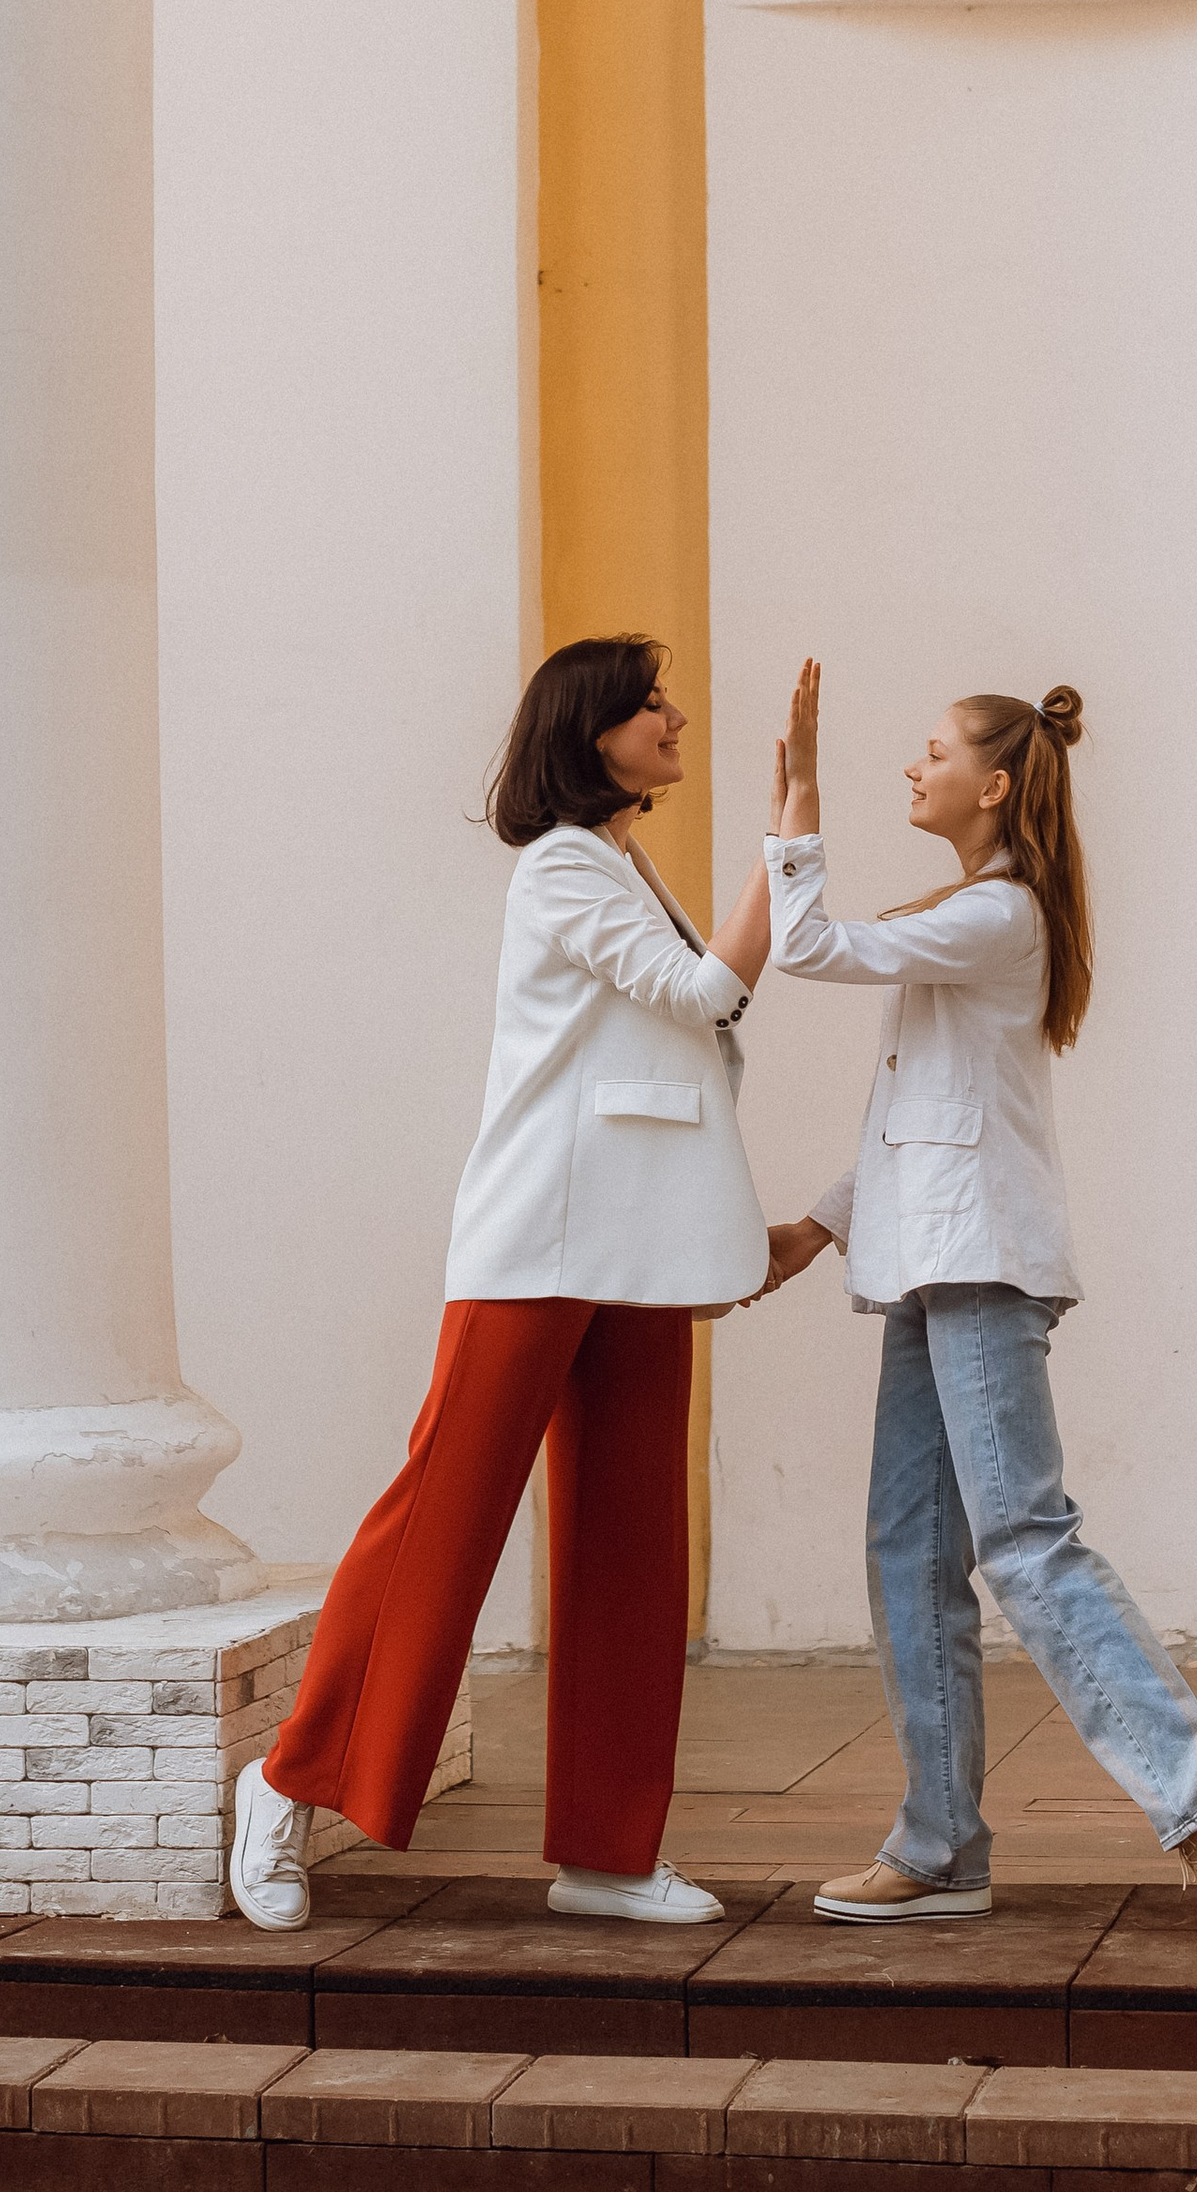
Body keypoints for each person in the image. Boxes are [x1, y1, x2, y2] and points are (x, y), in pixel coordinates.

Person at [227, 632, 782, 1930]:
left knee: (633, 1537)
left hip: (639, 1242)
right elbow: (710, 992)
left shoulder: (624, 861)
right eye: (653, 704)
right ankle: (285, 1776)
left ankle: (608, 1848)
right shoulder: (563, 868)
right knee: (443, 1516)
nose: (677, 715)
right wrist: (790, 837)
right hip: (537, 1236)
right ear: (591, 732)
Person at [751, 666, 1197, 1952]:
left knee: (1023, 1541)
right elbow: (914, 1106)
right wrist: (819, 1223)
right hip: (931, 1262)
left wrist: (799, 801)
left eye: (929, 751)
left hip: (979, 1262)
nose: (910, 767)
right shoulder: (969, 914)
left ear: (992, 783)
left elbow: (809, 942)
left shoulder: (1002, 913)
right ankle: (939, 1847)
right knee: (908, 1553)